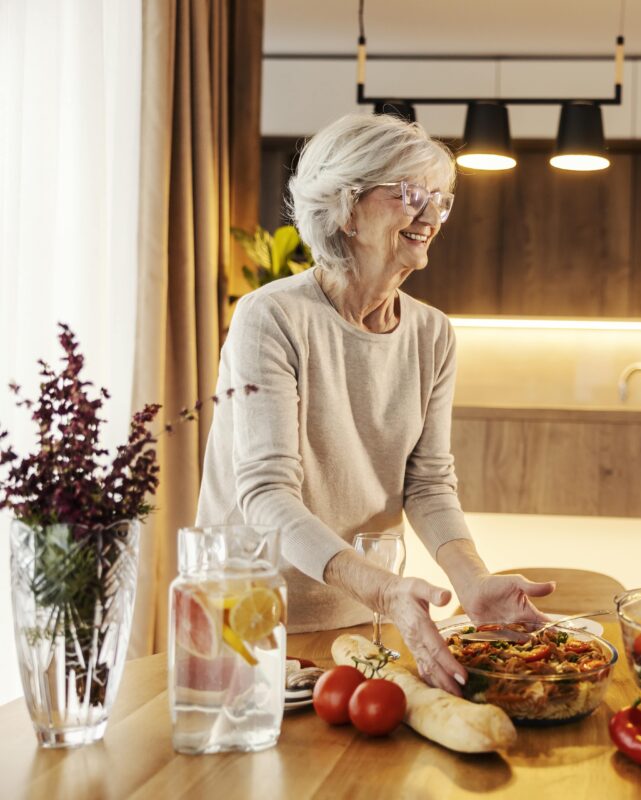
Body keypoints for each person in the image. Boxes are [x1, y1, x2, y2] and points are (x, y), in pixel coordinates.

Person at [197, 113, 553, 694]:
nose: (431, 214)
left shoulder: (432, 334)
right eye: (411, 194)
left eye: (440, 198)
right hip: (254, 622)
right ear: (346, 206)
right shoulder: (273, 317)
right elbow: (264, 495)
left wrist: (472, 581)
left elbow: (429, 484)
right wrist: (384, 587)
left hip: (364, 618)